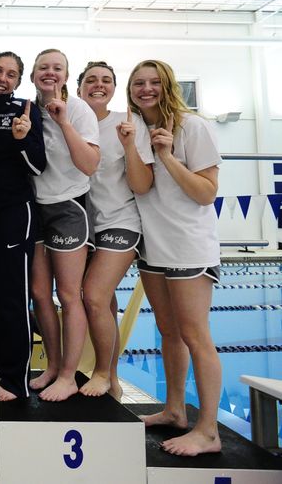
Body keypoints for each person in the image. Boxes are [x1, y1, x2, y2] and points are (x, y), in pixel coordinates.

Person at [130, 60, 222, 456]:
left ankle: (209, 430)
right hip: (153, 245)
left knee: (195, 335)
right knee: (169, 333)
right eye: (138, 83)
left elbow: (206, 192)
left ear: (167, 86)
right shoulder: (135, 129)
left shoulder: (193, 127)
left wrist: (167, 155)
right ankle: (174, 411)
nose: (146, 88)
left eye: (153, 82)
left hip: (188, 245)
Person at [77, 61, 154, 399]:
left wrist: (128, 146)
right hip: (84, 226)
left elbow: (143, 183)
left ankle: (102, 373)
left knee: (93, 295)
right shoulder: (70, 120)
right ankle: (114, 378)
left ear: (113, 87)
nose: (99, 85)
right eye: (91, 79)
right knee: (104, 301)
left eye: (106, 80)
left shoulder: (128, 122)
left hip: (121, 221)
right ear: (79, 86)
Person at [28, 49, 100, 401]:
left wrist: (64, 122)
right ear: (33, 76)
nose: (50, 72)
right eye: (43, 67)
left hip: (69, 207)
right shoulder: (27, 110)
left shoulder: (79, 110)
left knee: (69, 295)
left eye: (57, 68)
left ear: (66, 76)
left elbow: (89, 164)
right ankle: (54, 367)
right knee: (40, 294)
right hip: (36, 208)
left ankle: (70, 376)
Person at [0, 52, 46, 400]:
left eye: (11, 74)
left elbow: (38, 165)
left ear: (19, 81)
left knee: (11, 295)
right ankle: (0, 372)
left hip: (13, 210)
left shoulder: (24, 108)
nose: (3, 78)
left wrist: (22, 140)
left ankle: (15, 381)